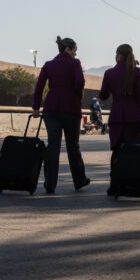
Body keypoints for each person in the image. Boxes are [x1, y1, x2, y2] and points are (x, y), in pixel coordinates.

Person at [31, 36, 90, 194]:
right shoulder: (75, 63)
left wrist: (36, 107)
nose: (75, 55)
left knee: (53, 146)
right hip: (71, 109)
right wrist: (76, 95)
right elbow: (80, 82)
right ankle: (79, 181)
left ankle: (50, 183)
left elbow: (39, 87)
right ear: (68, 49)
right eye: (74, 51)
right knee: (73, 146)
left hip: (52, 109)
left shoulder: (48, 65)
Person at [98, 43, 140, 152]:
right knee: (134, 152)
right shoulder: (138, 72)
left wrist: (101, 94)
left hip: (116, 117)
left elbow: (103, 96)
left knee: (117, 151)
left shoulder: (109, 73)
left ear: (118, 55)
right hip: (135, 118)